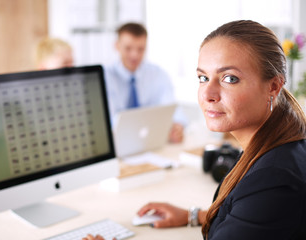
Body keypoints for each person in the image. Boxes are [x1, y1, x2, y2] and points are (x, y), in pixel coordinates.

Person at [83, 20, 306, 240]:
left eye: (229, 79)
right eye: (203, 77)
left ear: (274, 86)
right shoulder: (276, 145)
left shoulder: (273, 178)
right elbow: (250, 212)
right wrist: (195, 215)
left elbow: (261, 203)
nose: (208, 94)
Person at [104, 22, 184, 143]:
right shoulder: (105, 77)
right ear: (117, 46)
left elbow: (172, 108)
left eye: (140, 49)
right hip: (118, 142)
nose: (134, 55)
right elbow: (105, 119)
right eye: (128, 48)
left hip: (151, 141)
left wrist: (177, 125)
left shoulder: (158, 74)